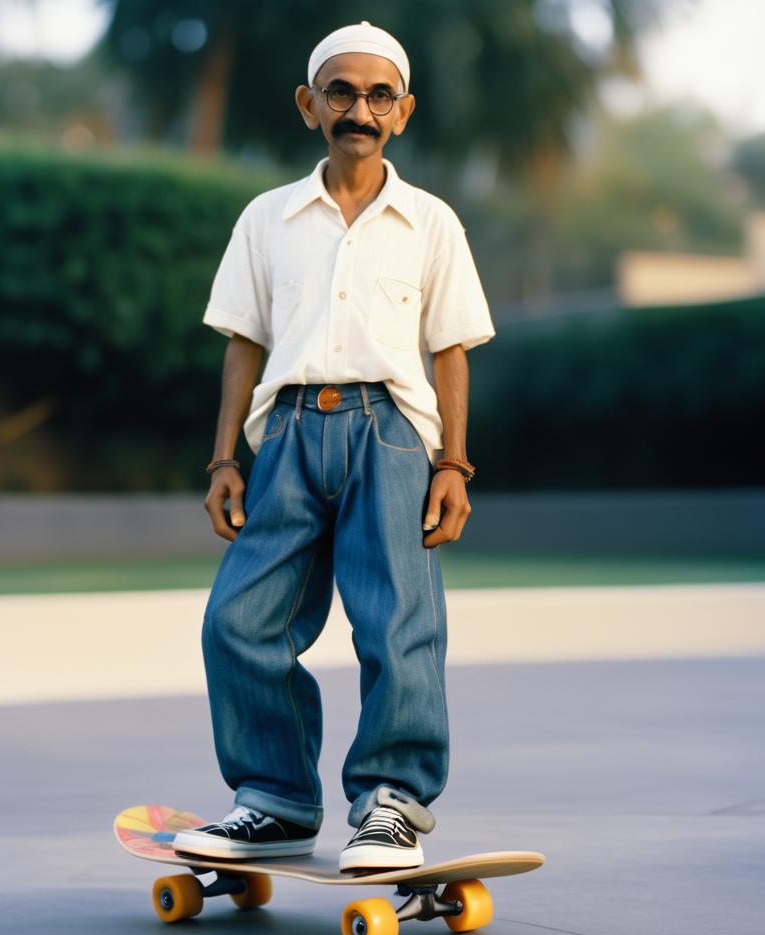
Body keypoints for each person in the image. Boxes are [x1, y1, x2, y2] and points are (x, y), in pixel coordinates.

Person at [173, 21, 495, 871]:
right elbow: (243, 339)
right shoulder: (267, 218)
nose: (360, 108)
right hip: (282, 438)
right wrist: (222, 460)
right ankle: (274, 800)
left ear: (404, 111)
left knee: (397, 625)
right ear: (309, 103)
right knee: (239, 620)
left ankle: (391, 802)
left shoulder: (430, 223)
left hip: (390, 436)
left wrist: (454, 466)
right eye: (342, 91)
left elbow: (450, 347)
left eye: (379, 94)